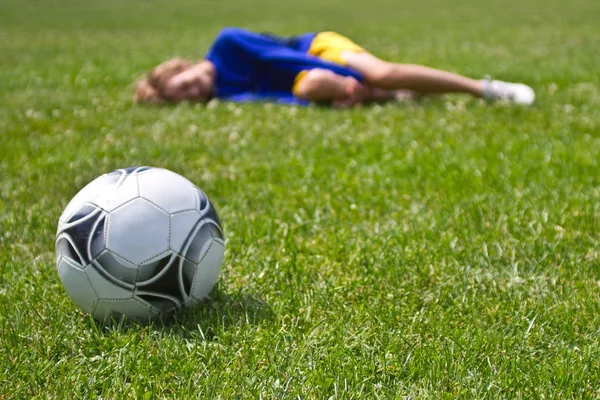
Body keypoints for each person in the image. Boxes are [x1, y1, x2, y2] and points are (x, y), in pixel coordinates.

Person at [134, 27, 535, 107]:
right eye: (184, 97)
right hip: (307, 80)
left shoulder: (226, 43)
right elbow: (274, 96)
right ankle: (388, 96)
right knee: (310, 89)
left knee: (380, 71)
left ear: (179, 68)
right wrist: (320, 98)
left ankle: (483, 88)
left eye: (183, 84)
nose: (192, 91)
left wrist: (350, 77)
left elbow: (285, 59)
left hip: (317, 50)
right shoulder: (223, 93)